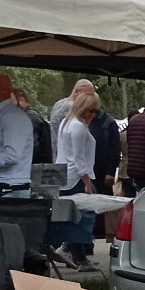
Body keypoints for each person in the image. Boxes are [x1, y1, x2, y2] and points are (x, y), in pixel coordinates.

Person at [50, 92, 100, 268]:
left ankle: (76, 255)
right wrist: (87, 180)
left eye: (96, 111)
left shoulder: (66, 122)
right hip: (77, 176)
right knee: (83, 218)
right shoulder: (78, 126)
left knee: (73, 217)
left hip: (65, 175)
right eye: (91, 110)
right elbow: (78, 158)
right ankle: (70, 250)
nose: (93, 115)